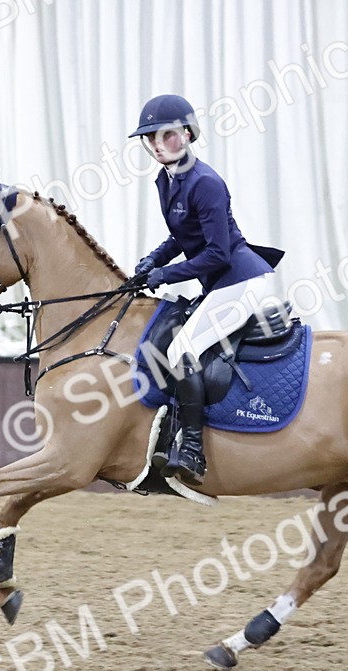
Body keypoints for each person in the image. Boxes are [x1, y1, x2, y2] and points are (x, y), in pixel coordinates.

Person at [128, 94, 281, 486]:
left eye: (166, 135)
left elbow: (217, 253)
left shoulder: (206, 183)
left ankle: (193, 451)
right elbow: (181, 235)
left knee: (183, 349)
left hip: (242, 281)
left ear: (188, 134)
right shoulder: (166, 179)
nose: (157, 144)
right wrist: (152, 261)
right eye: (150, 137)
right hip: (222, 282)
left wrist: (165, 276)